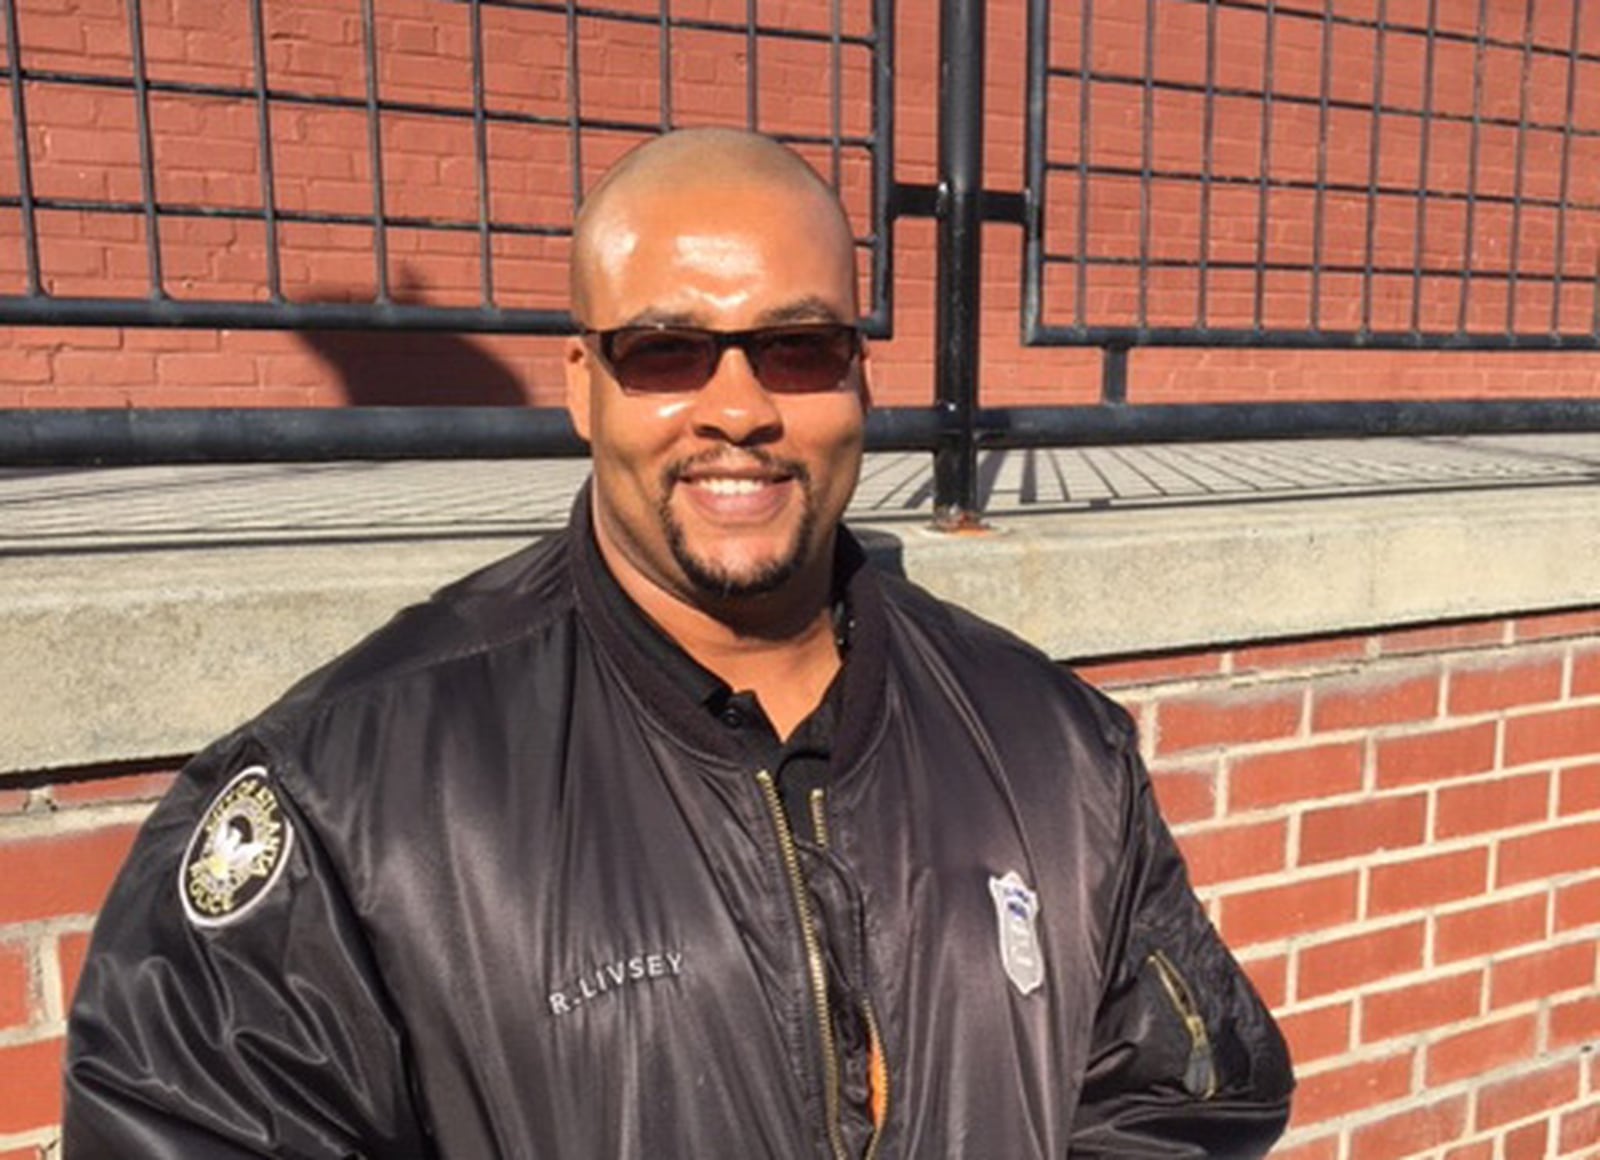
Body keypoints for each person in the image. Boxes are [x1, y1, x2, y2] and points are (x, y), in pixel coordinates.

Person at [64, 128, 1292, 1158]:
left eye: (795, 346)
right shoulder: (348, 794)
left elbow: (1181, 1099)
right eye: (667, 352)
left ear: (858, 378)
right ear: (581, 381)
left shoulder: (1051, 746)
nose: (739, 406)